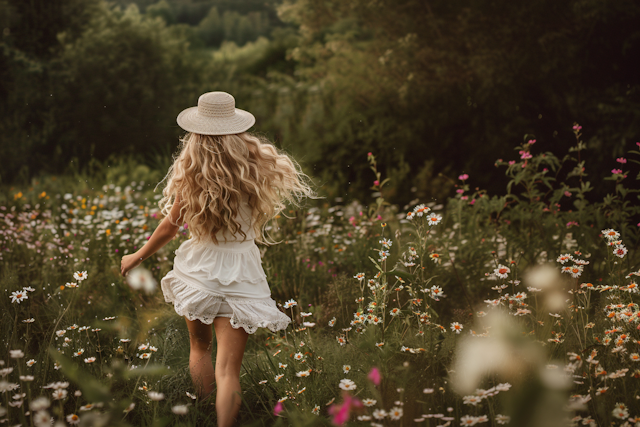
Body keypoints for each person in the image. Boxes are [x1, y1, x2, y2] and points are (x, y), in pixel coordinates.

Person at [120, 91, 315, 426]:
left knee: (200, 349)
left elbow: (169, 227)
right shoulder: (254, 172)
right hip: (241, 274)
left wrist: (137, 256)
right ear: (237, 129)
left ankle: (202, 412)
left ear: (196, 134)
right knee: (228, 371)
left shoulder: (193, 175)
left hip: (200, 272)